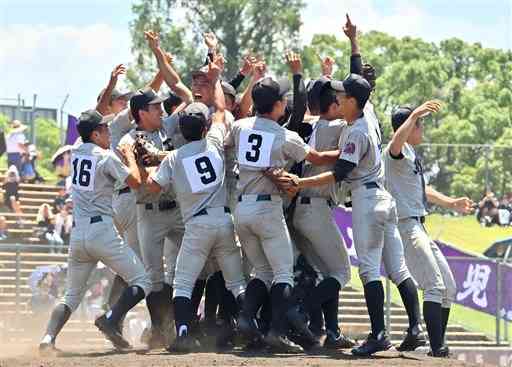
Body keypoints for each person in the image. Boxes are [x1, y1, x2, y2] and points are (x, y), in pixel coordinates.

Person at [267, 74, 424, 356]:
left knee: (362, 271)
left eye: (343, 96)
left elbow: (340, 172)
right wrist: (354, 45)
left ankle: (371, 333)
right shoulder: (369, 115)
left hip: (364, 199)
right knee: (389, 269)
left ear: (353, 101)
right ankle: (413, 329)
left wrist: (299, 183)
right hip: (380, 199)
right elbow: (362, 91)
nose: (338, 99)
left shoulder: (353, 130)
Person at [228, 75, 342, 352]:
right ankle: (277, 333)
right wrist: (345, 152)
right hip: (268, 208)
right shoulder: (284, 135)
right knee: (282, 274)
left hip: (242, 208)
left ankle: (245, 319)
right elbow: (316, 158)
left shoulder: (240, 126)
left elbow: (226, 147)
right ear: (278, 105)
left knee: (263, 271)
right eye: (282, 100)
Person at [38, 110, 151, 356]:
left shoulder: (77, 149)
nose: (109, 132)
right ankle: (110, 319)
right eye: (105, 129)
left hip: (79, 234)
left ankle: (48, 338)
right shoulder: (105, 156)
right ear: (95, 133)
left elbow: (88, 127)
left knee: (71, 296)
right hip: (102, 231)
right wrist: (130, 155)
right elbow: (135, 181)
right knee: (143, 281)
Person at [147, 100, 247, 352]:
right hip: (224, 220)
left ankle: (182, 334)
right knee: (236, 283)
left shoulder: (174, 157)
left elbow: (153, 187)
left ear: (181, 131)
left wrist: (140, 162)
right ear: (204, 128)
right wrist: (215, 80)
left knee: (182, 283)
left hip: (196, 225)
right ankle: (251, 326)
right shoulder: (213, 142)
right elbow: (222, 112)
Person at [385, 102, 474, 357]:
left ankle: (438, 346)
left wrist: (451, 202)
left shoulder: (412, 154)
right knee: (434, 285)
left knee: (448, 287)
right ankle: (437, 348)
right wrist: (413, 116)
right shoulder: (396, 150)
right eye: (419, 126)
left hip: (419, 225)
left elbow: (422, 189)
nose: (422, 130)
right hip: (405, 226)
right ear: (411, 126)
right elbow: (395, 145)